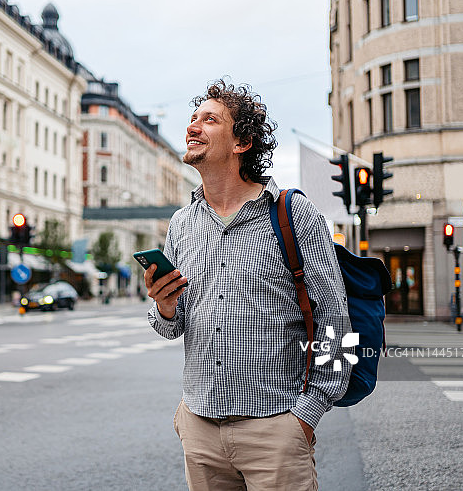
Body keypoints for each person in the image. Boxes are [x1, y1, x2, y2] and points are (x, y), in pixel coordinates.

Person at [144, 79, 351, 491]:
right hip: (200, 430)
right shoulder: (182, 224)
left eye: (210, 120)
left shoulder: (293, 214)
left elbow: (334, 318)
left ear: (242, 143)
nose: (193, 127)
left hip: (275, 429)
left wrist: (307, 414)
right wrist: (164, 307)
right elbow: (170, 326)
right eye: (192, 119)